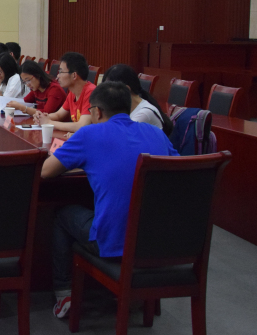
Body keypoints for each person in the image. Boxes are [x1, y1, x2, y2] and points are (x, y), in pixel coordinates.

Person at [40, 82, 179, 319]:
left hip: (114, 242)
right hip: (160, 241)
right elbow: (179, 171)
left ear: (97, 112)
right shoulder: (156, 133)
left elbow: (46, 171)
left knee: (63, 215)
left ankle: (64, 293)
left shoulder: (89, 134)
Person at [34, 52, 95, 133]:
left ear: (74, 75)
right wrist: (42, 117)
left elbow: (81, 126)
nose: (58, 76)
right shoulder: (72, 93)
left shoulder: (91, 92)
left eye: (61, 72)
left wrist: (49, 123)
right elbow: (58, 115)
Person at [103, 64, 173, 135]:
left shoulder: (143, 114)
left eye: (109, 91)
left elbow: (117, 136)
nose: (106, 96)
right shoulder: (124, 108)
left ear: (126, 89)